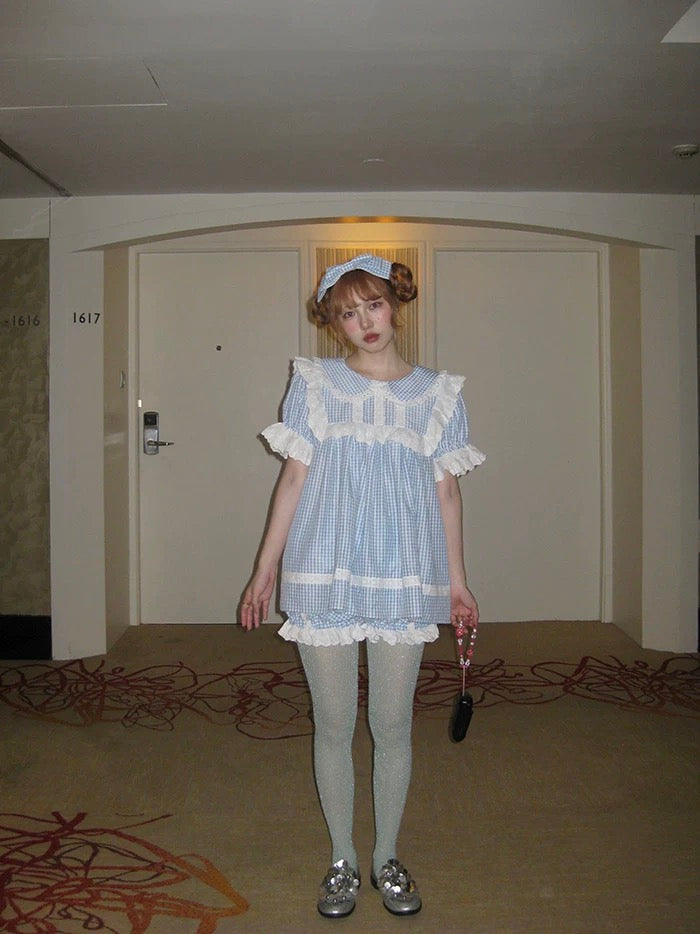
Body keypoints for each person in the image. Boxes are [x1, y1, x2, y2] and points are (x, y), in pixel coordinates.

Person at [240, 254, 484, 918]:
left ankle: (387, 858)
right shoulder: (314, 384)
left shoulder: (438, 394)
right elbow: (293, 478)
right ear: (334, 323)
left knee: (393, 723)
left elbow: (447, 493)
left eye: (373, 304)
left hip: (403, 575)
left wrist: (457, 583)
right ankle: (343, 859)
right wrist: (264, 569)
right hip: (325, 572)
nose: (364, 322)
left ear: (394, 303)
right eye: (348, 313)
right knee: (334, 722)